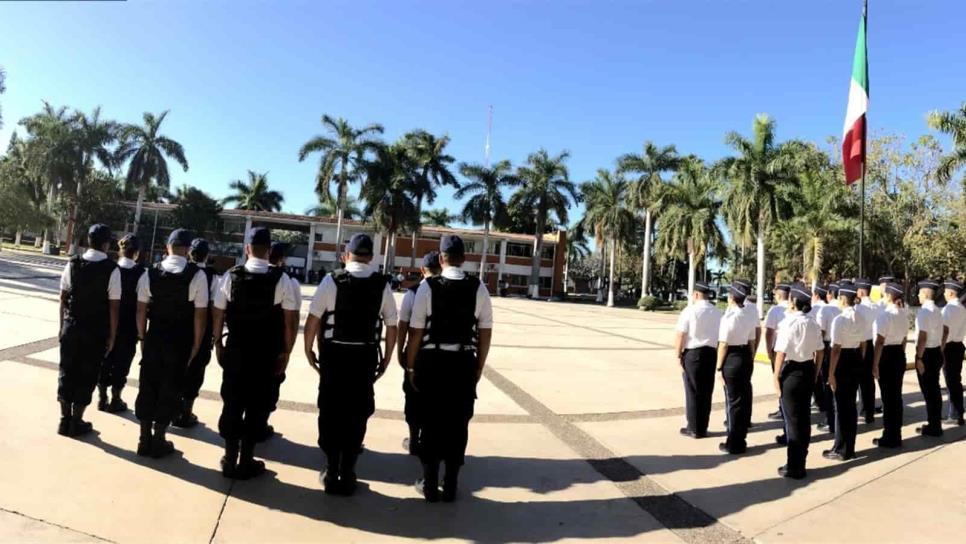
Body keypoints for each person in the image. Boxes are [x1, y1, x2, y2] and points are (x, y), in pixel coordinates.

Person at [304, 233, 398, 496]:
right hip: (365, 357)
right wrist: (388, 357)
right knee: (357, 412)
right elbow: (392, 324)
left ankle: (331, 469)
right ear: (371, 257)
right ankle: (348, 471)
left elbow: (313, 320)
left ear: (347, 255)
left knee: (331, 411)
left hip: (334, 356)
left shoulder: (331, 280)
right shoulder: (382, 284)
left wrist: (308, 350)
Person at [405, 235, 493, 502]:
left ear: (441, 258)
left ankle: (430, 484)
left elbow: (416, 332)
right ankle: (451, 483)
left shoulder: (427, 287)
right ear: (464, 258)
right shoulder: (479, 288)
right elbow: (486, 332)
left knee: (431, 422)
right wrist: (478, 366)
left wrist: (410, 366)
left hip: (432, 363)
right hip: (464, 363)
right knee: (458, 424)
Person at [212, 227, 299, 479]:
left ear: (247, 249)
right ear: (269, 250)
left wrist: (218, 344)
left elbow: (218, 313)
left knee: (232, 402)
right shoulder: (281, 279)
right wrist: (286, 352)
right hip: (266, 353)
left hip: (237, 351)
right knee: (256, 405)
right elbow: (290, 321)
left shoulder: (231, 276)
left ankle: (229, 458)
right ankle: (246, 460)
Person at [134, 229, 209, 458]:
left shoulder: (150, 273)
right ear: (187, 250)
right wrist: (196, 345)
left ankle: (143, 439)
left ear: (168, 247)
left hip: (155, 336)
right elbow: (200, 315)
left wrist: (142, 338)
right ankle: (158, 439)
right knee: (171, 386)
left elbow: (140, 309)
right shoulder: (197, 275)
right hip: (180, 339)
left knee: (148, 385)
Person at [58, 224, 121, 437]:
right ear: (106, 243)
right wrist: (112, 335)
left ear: (88, 240)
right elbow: (114, 306)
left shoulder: (73, 263)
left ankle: (64, 420)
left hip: (71, 326)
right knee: (87, 373)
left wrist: (61, 327)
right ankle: (77, 421)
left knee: (67, 371)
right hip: (95, 330)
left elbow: (63, 297)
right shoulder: (112, 269)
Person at [772, 284, 824, 479]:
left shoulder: (789, 323)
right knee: (804, 419)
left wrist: (776, 376)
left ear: (793, 302)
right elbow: (820, 350)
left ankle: (794, 466)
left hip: (792, 371)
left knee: (793, 421)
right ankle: (800, 460)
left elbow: (781, 352)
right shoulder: (812, 323)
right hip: (808, 369)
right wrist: (816, 370)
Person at [397, 251, 442, 456]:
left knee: (414, 398)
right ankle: (431, 441)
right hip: (446, 355)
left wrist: (400, 352)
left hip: (419, 353)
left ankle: (415, 440)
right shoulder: (456, 290)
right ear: (441, 266)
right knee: (437, 401)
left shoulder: (414, 292)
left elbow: (404, 325)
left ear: (423, 269)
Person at [173, 238, 219, 428]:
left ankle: (173, 409)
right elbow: (215, 307)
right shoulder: (213, 277)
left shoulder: (181, 271)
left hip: (179, 328)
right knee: (196, 372)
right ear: (207, 256)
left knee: (176, 369)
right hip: (203, 331)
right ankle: (186, 411)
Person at [262, 241, 303, 441]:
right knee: (269, 386)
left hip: (241, 342)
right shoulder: (288, 281)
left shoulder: (236, 275)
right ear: (282, 259)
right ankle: (260, 424)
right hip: (273, 343)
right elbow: (292, 319)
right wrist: (288, 349)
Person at [97, 233, 142, 413]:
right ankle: (116, 399)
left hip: (108, 323)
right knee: (122, 362)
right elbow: (142, 305)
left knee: (105, 360)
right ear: (136, 252)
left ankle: (101, 397)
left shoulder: (110, 269)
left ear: (120, 250)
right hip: (129, 326)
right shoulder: (142, 273)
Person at [673, 281, 722, 439]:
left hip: (693, 354)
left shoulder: (690, 311)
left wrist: (678, 354)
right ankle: (702, 426)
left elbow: (681, 334)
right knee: (706, 391)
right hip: (711, 353)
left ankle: (693, 427)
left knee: (692, 391)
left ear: (695, 294)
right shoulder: (717, 312)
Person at [823, 281, 863, 461]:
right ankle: (850, 446)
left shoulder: (840, 319)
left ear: (842, 299)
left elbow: (836, 349)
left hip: (842, 361)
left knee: (840, 406)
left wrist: (831, 373)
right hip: (855, 359)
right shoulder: (860, 317)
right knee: (851, 406)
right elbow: (863, 343)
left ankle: (840, 448)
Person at [716, 283, 757, 454]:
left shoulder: (729, 317)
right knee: (743, 399)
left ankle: (733, 442)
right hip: (745, 356)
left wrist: (718, 368)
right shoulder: (748, 314)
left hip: (731, 358)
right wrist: (751, 358)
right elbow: (752, 341)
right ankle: (741, 438)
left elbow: (724, 344)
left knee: (732, 402)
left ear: (732, 297)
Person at [872, 282, 909, 448]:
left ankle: (889, 436)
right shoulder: (903, 314)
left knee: (888, 398)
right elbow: (904, 339)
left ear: (888, 296)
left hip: (886, 355)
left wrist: (875, 363)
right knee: (896, 397)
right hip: (898, 354)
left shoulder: (885, 315)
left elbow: (879, 342)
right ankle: (896, 434)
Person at [914, 279, 945, 437]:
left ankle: (934, 426)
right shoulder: (937, 310)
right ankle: (935, 423)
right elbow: (944, 331)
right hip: (936, 352)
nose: (918, 295)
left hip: (926, 354)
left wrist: (919, 357)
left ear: (925, 294)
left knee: (929, 391)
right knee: (934, 390)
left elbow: (923, 336)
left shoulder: (924, 312)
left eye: (920, 292)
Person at [816, 282, 842, 432]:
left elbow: (820, 332)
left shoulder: (825, 309)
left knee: (828, 384)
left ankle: (830, 420)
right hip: (844, 349)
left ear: (830, 294)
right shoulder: (844, 309)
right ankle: (835, 420)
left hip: (828, 347)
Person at [764, 283, 792, 422]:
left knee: (779, 380)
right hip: (795, 351)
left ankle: (783, 409)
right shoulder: (794, 307)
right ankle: (786, 408)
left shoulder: (775, 310)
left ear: (779, 295)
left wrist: (769, 350)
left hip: (779, 350)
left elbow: (769, 332)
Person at [941, 279, 966, 426]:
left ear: (950, 293)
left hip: (949, 348)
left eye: (945, 291)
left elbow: (944, 332)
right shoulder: (962, 309)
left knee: (951, 382)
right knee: (955, 381)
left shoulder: (947, 309)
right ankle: (958, 413)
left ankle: (954, 415)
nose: (943, 293)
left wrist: (940, 349)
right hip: (959, 346)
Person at [854, 278, 879, 423]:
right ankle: (869, 411)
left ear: (861, 291)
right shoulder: (876, 307)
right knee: (869, 380)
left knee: (861, 380)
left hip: (861, 344)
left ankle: (863, 411)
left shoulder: (859, 308)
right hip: (873, 343)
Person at [807, 285, 828, 417]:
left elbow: (821, 330)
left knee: (818, 374)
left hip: (819, 342)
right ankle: (821, 401)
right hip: (826, 343)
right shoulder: (829, 307)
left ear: (816, 295)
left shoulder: (816, 309)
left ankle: (820, 401)